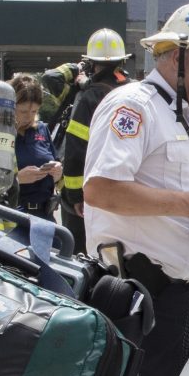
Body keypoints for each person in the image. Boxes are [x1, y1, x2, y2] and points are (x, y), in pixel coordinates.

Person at [83, 0, 189, 376]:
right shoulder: (134, 106)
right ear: (177, 57)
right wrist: (188, 205)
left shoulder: (183, 117)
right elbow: (100, 189)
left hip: (176, 295)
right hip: (138, 295)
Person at [57, 28, 132, 251]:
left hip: (92, 194)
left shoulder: (89, 97)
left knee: (82, 255)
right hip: (126, 190)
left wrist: (75, 196)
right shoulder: (135, 92)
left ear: (91, 63)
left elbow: (76, 148)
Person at [11, 74, 61, 217]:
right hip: (13, 215)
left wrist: (57, 173)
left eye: (34, 111)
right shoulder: (2, 133)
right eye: (23, 111)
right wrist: (17, 180)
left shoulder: (41, 129)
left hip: (45, 215)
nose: (29, 117)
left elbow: (55, 160)